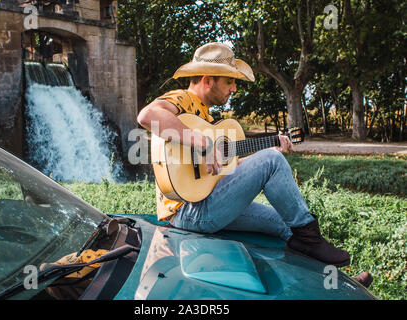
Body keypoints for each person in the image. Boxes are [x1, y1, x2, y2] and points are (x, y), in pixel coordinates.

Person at [137, 42, 351, 269]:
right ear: (208, 80)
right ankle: (310, 239)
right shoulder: (184, 99)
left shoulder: (207, 119)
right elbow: (148, 116)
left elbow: (226, 170)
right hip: (187, 212)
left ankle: (335, 281)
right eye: (229, 81)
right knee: (272, 162)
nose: (234, 89)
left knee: (286, 223)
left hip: (208, 201)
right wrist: (203, 143)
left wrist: (266, 154)